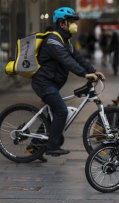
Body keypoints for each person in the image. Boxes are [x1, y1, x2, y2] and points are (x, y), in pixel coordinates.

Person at [31, 7, 105, 156]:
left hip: (52, 83)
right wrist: (85, 74)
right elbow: (67, 61)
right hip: (43, 83)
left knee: (52, 115)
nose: (74, 25)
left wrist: (94, 70)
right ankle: (52, 147)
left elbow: (78, 58)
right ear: (62, 23)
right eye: (71, 21)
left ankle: (35, 146)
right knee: (61, 111)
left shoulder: (65, 41)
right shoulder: (53, 40)